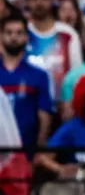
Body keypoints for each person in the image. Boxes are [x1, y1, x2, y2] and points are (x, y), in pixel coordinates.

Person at [0, 13, 53, 149]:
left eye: (19, 33)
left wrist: (39, 150)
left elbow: (44, 116)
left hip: (26, 151)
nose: (13, 37)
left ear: (26, 37)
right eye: (9, 32)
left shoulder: (39, 75)